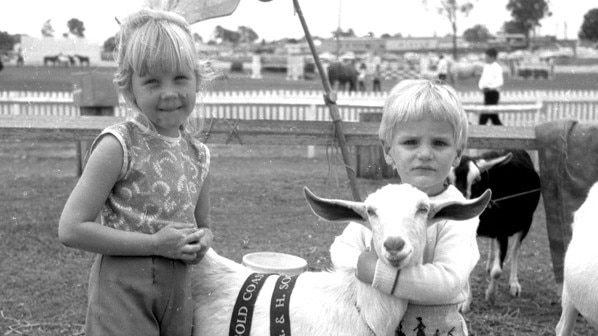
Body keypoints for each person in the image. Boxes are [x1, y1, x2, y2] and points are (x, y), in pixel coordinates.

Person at [58, 8, 214, 336]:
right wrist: (155, 243)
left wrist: (202, 242)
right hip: (122, 293)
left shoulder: (199, 156)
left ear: (198, 79)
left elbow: (204, 226)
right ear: (131, 89)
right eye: (152, 81)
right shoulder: (119, 145)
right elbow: (71, 228)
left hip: (177, 293)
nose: (169, 92)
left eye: (181, 78)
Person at [330, 79, 480, 336]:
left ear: (458, 153)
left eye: (439, 143)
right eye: (411, 142)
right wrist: (359, 263)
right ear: (388, 151)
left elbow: (449, 281)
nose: (424, 153)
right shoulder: (381, 206)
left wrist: (378, 273)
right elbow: (340, 249)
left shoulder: (457, 213)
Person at [478, 48, 504, 125]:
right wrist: (481, 87)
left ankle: (479, 130)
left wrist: (490, 88)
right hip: (487, 93)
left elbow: (500, 82)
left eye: (486, 57)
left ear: (492, 57)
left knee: (484, 115)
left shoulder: (497, 68)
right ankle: (505, 132)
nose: (485, 59)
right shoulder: (486, 67)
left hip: (493, 94)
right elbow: (482, 79)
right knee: (494, 117)